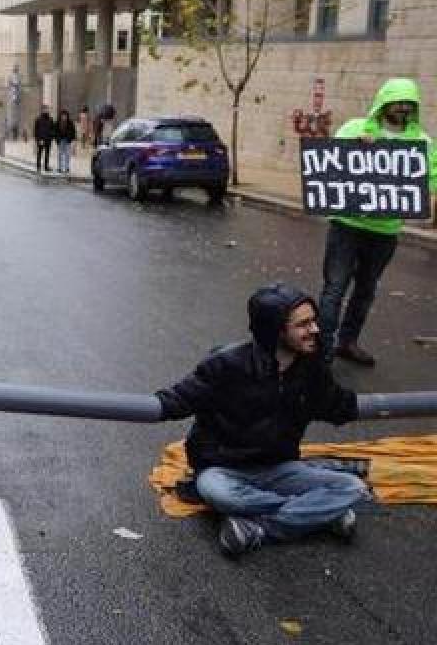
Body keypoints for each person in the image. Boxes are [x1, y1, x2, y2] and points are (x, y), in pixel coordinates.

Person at [154, 283, 369, 558]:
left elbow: (340, 407)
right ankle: (317, 514)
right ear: (276, 330)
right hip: (223, 469)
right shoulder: (226, 364)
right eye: (303, 324)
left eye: (313, 321)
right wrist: (153, 406)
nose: (315, 329)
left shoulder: (311, 369)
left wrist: (379, 406)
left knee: (352, 487)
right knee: (217, 493)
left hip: (279, 468)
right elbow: (178, 399)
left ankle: (257, 529)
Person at [317, 78, 437, 367]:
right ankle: (320, 349)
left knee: (366, 290)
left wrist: (426, 198)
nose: (403, 107)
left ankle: (347, 342)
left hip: (385, 231)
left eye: (409, 103)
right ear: (384, 102)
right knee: (334, 288)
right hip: (347, 225)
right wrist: (355, 148)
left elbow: (430, 179)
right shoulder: (355, 129)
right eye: (398, 101)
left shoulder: (422, 143)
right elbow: (329, 161)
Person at [33, 104, 55, 173]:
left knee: (47, 154)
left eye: (47, 109)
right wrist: (38, 139)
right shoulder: (38, 119)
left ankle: (46, 166)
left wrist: (51, 136)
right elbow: (36, 130)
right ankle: (38, 166)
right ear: (42, 110)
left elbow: (52, 129)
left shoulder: (50, 119)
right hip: (41, 139)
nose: (46, 110)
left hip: (48, 139)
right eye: (45, 109)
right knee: (40, 153)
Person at [55, 109, 76, 174]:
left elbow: (73, 131)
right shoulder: (57, 122)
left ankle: (67, 168)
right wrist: (57, 139)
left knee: (67, 154)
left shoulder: (70, 123)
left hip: (67, 140)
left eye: (65, 116)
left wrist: (71, 139)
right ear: (61, 116)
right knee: (60, 154)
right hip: (60, 140)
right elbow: (55, 132)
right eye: (63, 116)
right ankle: (60, 168)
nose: (64, 117)